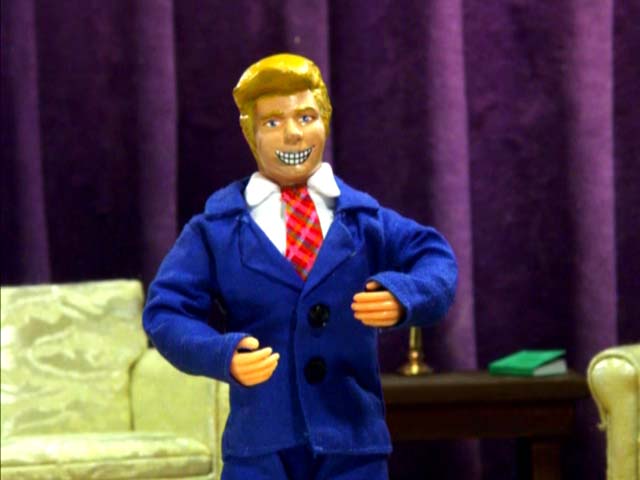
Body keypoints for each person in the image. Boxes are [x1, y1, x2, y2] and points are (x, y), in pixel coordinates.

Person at [143, 53, 457, 480]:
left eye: (306, 117)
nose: (292, 133)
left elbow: (434, 256)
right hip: (261, 444)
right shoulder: (217, 230)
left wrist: (405, 295)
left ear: (324, 121)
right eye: (273, 122)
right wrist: (222, 354)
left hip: (352, 441)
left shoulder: (363, 221)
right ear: (251, 133)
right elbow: (165, 311)